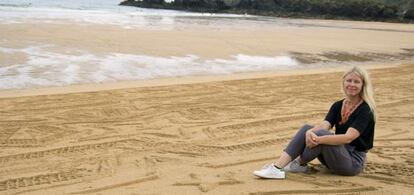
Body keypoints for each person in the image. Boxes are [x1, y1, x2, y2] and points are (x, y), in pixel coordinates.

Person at [253, 66, 376, 179]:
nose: (352, 84)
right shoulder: (338, 105)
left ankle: (288, 165)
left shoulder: (365, 109)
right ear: (343, 82)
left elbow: (348, 138)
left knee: (321, 135)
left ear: (363, 85)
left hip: (352, 163)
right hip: (335, 156)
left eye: (356, 82)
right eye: (349, 80)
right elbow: (325, 125)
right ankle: (283, 166)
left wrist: (318, 139)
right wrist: (309, 133)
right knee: (308, 128)